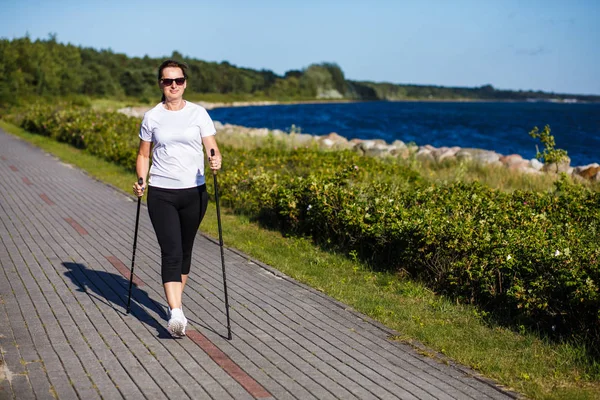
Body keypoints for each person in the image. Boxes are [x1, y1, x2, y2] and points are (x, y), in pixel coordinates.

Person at [133, 59, 222, 337]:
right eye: (168, 81)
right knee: (171, 251)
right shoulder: (152, 116)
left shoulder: (199, 114)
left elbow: (212, 148)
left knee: (185, 252)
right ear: (160, 84)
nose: (173, 85)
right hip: (162, 193)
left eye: (178, 80)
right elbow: (144, 154)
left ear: (185, 83)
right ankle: (175, 312)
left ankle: (177, 308)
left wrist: (216, 160)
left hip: (195, 192)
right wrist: (141, 180)